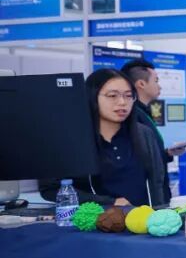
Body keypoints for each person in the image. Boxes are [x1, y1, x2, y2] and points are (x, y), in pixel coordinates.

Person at [40, 68, 167, 208]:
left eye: (128, 95)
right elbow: (50, 189)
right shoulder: (70, 138)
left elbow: (157, 182)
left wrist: (159, 213)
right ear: (92, 97)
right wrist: (108, 202)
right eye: (112, 96)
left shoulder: (143, 134)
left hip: (142, 219)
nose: (122, 102)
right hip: (93, 218)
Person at [121, 59, 186, 202]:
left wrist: (168, 153)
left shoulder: (144, 112)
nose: (159, 86)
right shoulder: (132, 116)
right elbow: (139, 160)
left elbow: (147, 153)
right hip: (145, 197)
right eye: (156, 81)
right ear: (141, 84)